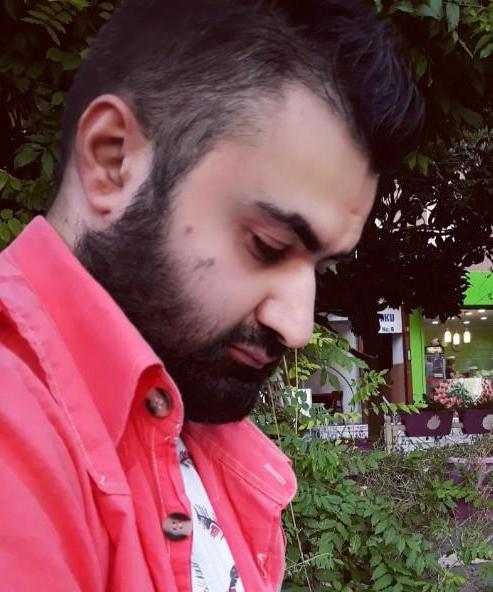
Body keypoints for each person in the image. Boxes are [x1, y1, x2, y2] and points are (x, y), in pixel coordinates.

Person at [0, 1, 424, 590]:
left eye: (321, 267)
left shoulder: (200, 423)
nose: (298, 326)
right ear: (111, 159)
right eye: (266, 245)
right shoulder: (17, 427)